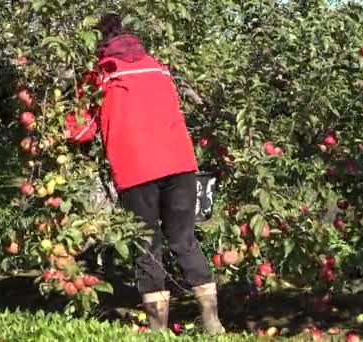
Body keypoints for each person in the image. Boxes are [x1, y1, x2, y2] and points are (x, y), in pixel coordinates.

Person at [94, 13, 224, 334]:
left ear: (100, 42)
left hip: (136, 168)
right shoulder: (157, 66)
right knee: (184, 239)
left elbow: (82, 129)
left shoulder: (102, 73)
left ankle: (157, 328)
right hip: (180, 164)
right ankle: (212, 320)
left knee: (146, 245)